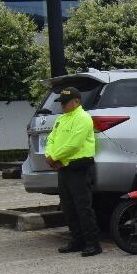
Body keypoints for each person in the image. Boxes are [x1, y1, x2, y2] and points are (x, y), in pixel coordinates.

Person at [45, 87, 101, 257]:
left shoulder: (83, 118)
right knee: (68, 206)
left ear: (76, 101)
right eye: (61, 102)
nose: (62, 105)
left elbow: (74, 144)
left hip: (79, 167)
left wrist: (54, 157)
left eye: (65, 102)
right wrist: (49, 156)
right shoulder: (61, 119)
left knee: (83, 207)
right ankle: (77, 240)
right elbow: (51, 139)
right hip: (64, 167)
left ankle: (93, 243)